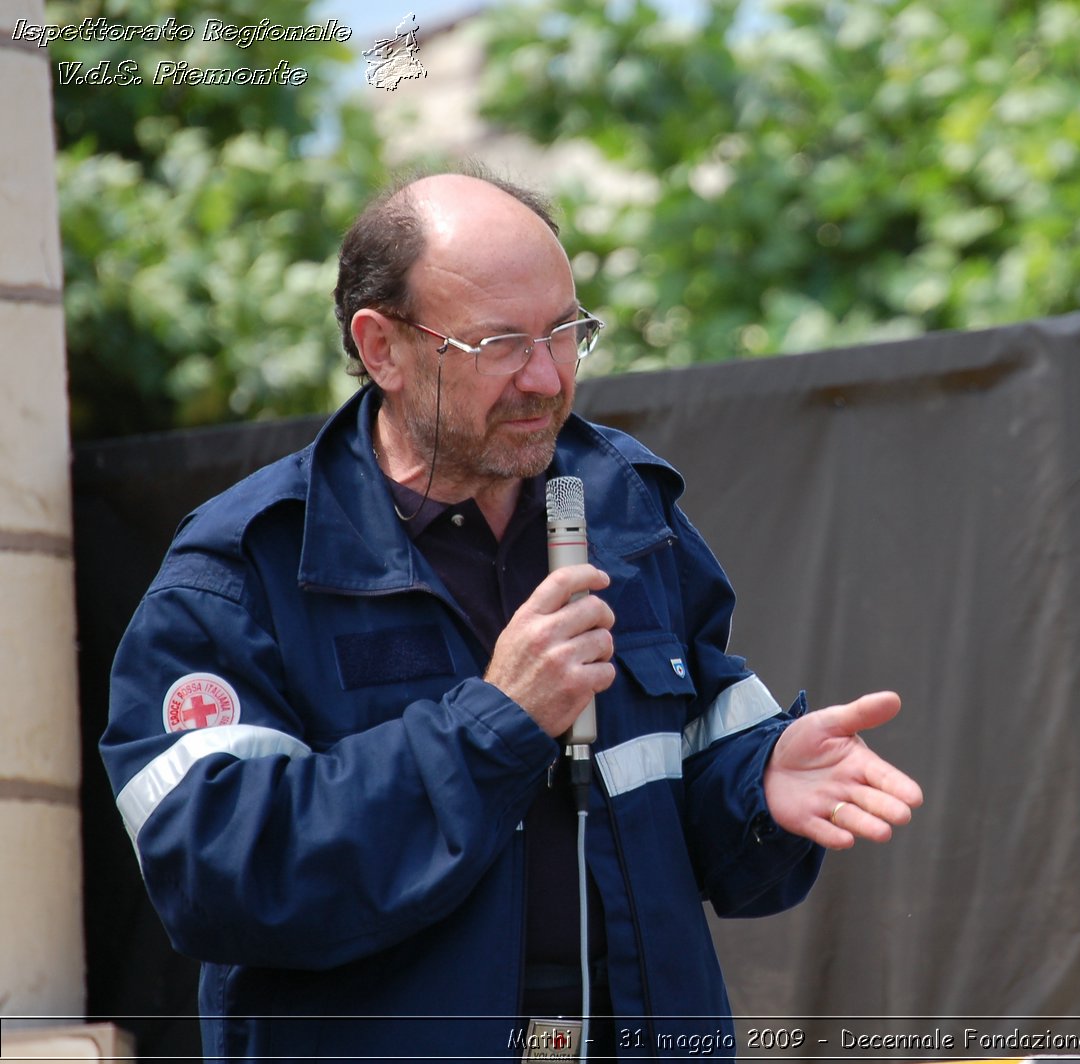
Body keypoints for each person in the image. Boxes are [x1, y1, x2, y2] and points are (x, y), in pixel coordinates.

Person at [100, 169, 924, 1062]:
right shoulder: (246, 568)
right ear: (382, 348)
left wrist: (758, 784)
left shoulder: (624, 507)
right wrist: (496, 724)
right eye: (499, 343)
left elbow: (683, 783)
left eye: (566, 331)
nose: (546, 376)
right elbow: (218, 874)